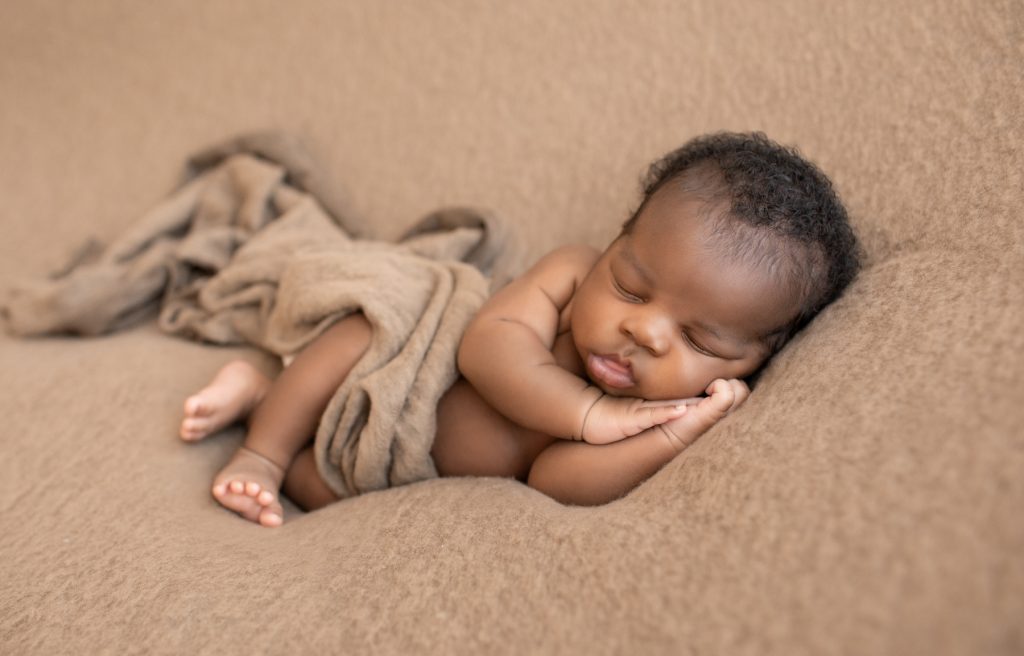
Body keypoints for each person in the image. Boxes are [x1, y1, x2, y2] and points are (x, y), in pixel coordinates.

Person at [179, 131, 861, 526]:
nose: (644, 330)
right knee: (366, 325)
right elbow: (487, 345)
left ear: (751, 362)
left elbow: (552, 479)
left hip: (398, 461)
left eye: (703, 340)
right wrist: (590, 412)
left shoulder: (660, 412)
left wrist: (669, 436)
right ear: (616, 240)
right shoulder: (571, 271)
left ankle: (257, 399)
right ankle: (261, 449)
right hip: (406, 362)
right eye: (629, 284)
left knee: (320, 494)